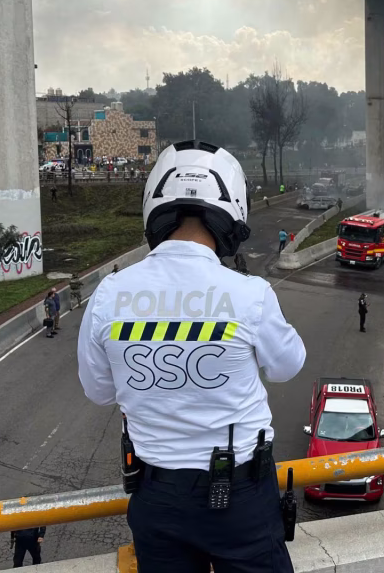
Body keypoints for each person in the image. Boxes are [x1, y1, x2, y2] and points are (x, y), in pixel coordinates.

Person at [77, 140, 305, 573]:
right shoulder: (249, 293)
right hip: (241, 495)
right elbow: (286, 366)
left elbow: (99, 391)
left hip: (156, 497)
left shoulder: (110, 294)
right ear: (233, 208)